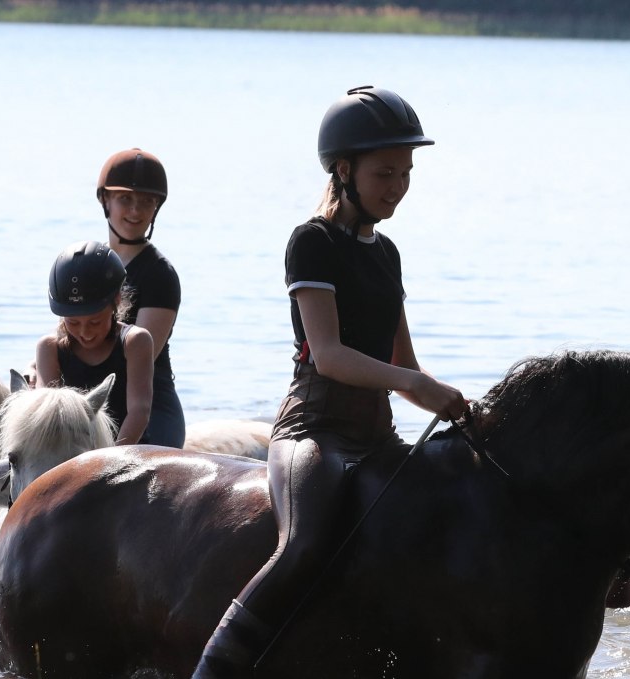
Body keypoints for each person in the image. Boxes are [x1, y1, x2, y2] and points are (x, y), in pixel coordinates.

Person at [191, 86, 468, 677]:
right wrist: (416, 387)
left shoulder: (386, 254)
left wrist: (464, 407)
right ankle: (215, 668)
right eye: (385, 172)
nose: (399, 186)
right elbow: (331, 356)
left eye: (407, 172)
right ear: (344, 170)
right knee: (305, 543)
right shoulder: (311, 242)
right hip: (314, 430)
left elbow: (406, 366)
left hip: (377, 437)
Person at [98, 148, 187, 448]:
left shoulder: (160, 274)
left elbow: (141, 357)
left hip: (149, 406)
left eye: (146, 202)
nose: (135, 211)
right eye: (125, 199)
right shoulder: (90, 264)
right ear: (105, 201)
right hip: (96, 399)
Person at [33, 241, 159, 446]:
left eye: (95, 321)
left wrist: (108, 462)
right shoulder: (49, 348)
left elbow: (140, 411)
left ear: (116, 300)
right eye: (72, 322)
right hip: (69, 454)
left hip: (126, 450)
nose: (85, 332)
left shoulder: (135, 341)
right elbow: (49, 417)